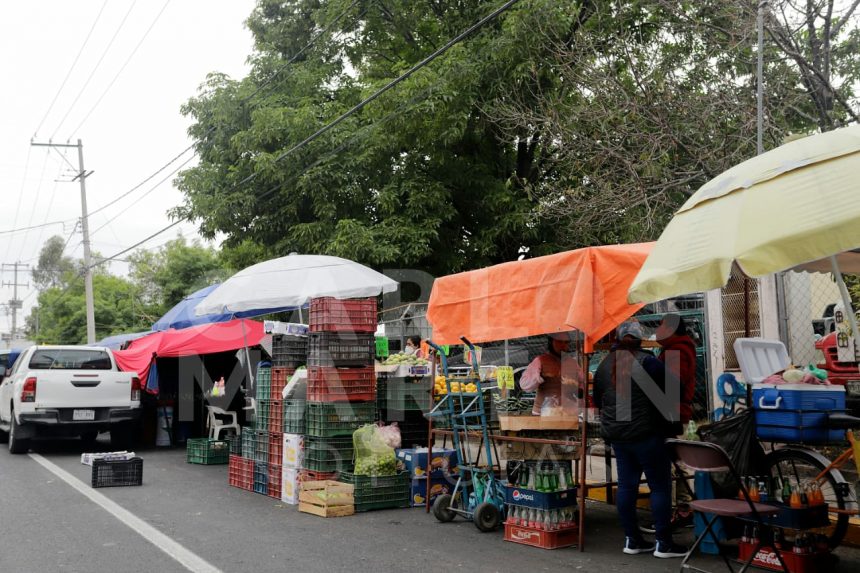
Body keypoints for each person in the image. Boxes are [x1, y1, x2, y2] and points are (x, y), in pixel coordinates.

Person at [593, 321, 686, 559]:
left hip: (618, 436)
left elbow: (597, 400)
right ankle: (663, 543)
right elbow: (676, 389)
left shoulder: (604, 365)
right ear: (640, 340)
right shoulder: (648, 362)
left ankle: (632, 540)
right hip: (646, 435)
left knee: (626, 486)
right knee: (660, 486)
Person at [656, 313, 698, 529]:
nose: (657, 330)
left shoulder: (676, 352)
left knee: (672, 463)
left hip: (671, 413)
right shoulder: (677, 349)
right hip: (676, 412)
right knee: (678, 462)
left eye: (661, 326)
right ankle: (684, 508)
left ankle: (677, 511)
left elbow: (671, 386)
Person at [520, 333, 583, 415]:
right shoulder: (540, 361)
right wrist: (540, 377)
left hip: (567, 413)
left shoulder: (573, 363)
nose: (563, 345)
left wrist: (578, 390)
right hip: (543, 413)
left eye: (566, 342)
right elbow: (524, 385)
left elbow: (582, 383)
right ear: (551, 342)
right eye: (559, 342)